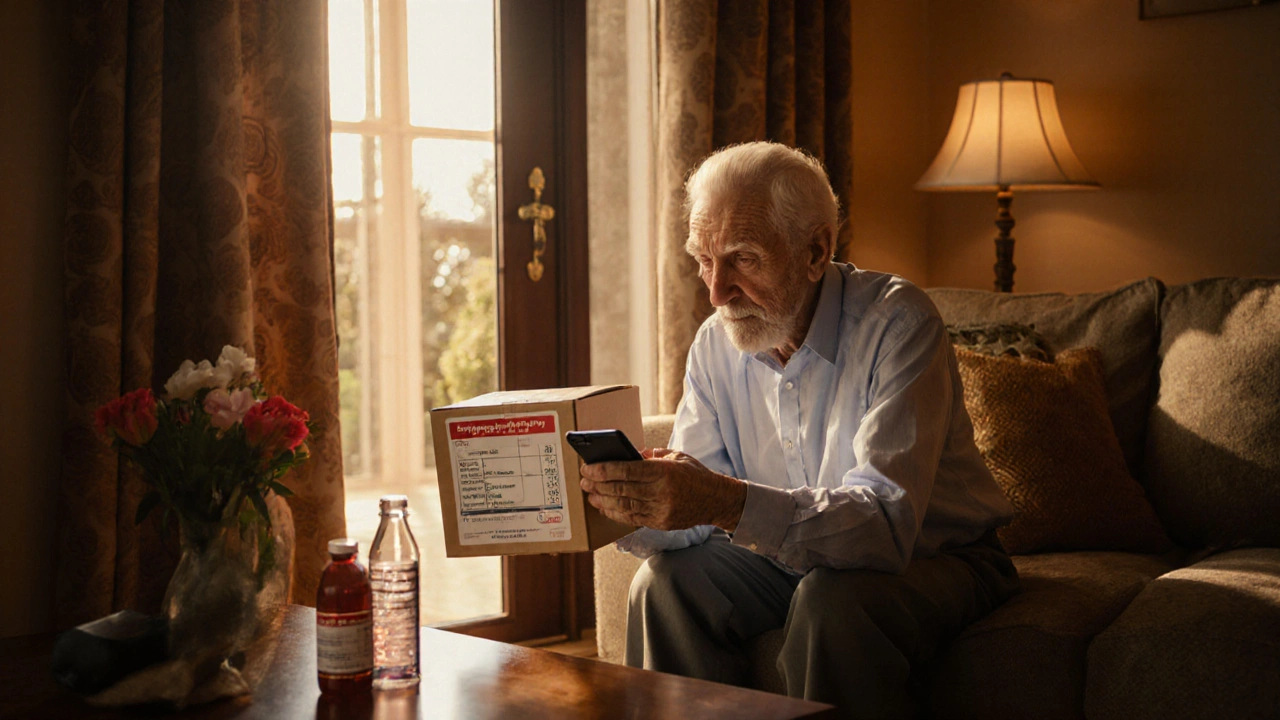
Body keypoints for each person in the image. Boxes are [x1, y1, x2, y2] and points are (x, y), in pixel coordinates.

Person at [578, 142, 1020, 718]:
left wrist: (724, 501)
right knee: (664, 585)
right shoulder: (717, 343)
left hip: (939, 556)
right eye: (704, 261)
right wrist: (616, 502)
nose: (716, 292)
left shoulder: (899, 323)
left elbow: (884, 525)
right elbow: (695, 511)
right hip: (781, 559)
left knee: (832, 601)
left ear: (815, 252)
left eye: (742, 258)